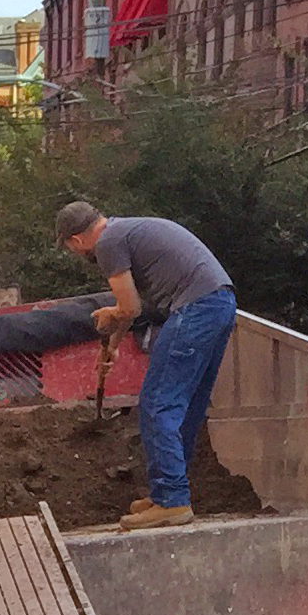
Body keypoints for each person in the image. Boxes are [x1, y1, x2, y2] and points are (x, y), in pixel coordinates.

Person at [57, 201, 237, 531]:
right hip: (219, 303)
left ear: (76, 240)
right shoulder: (124, 231)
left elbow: (129, 307)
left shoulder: (108, 244)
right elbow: (131, 308)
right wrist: (112, 347)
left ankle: (171, 500)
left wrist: (109, 315)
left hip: (195, 308)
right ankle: (168, 494)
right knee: (187, 407)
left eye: (70, 248)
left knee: (157, 404)